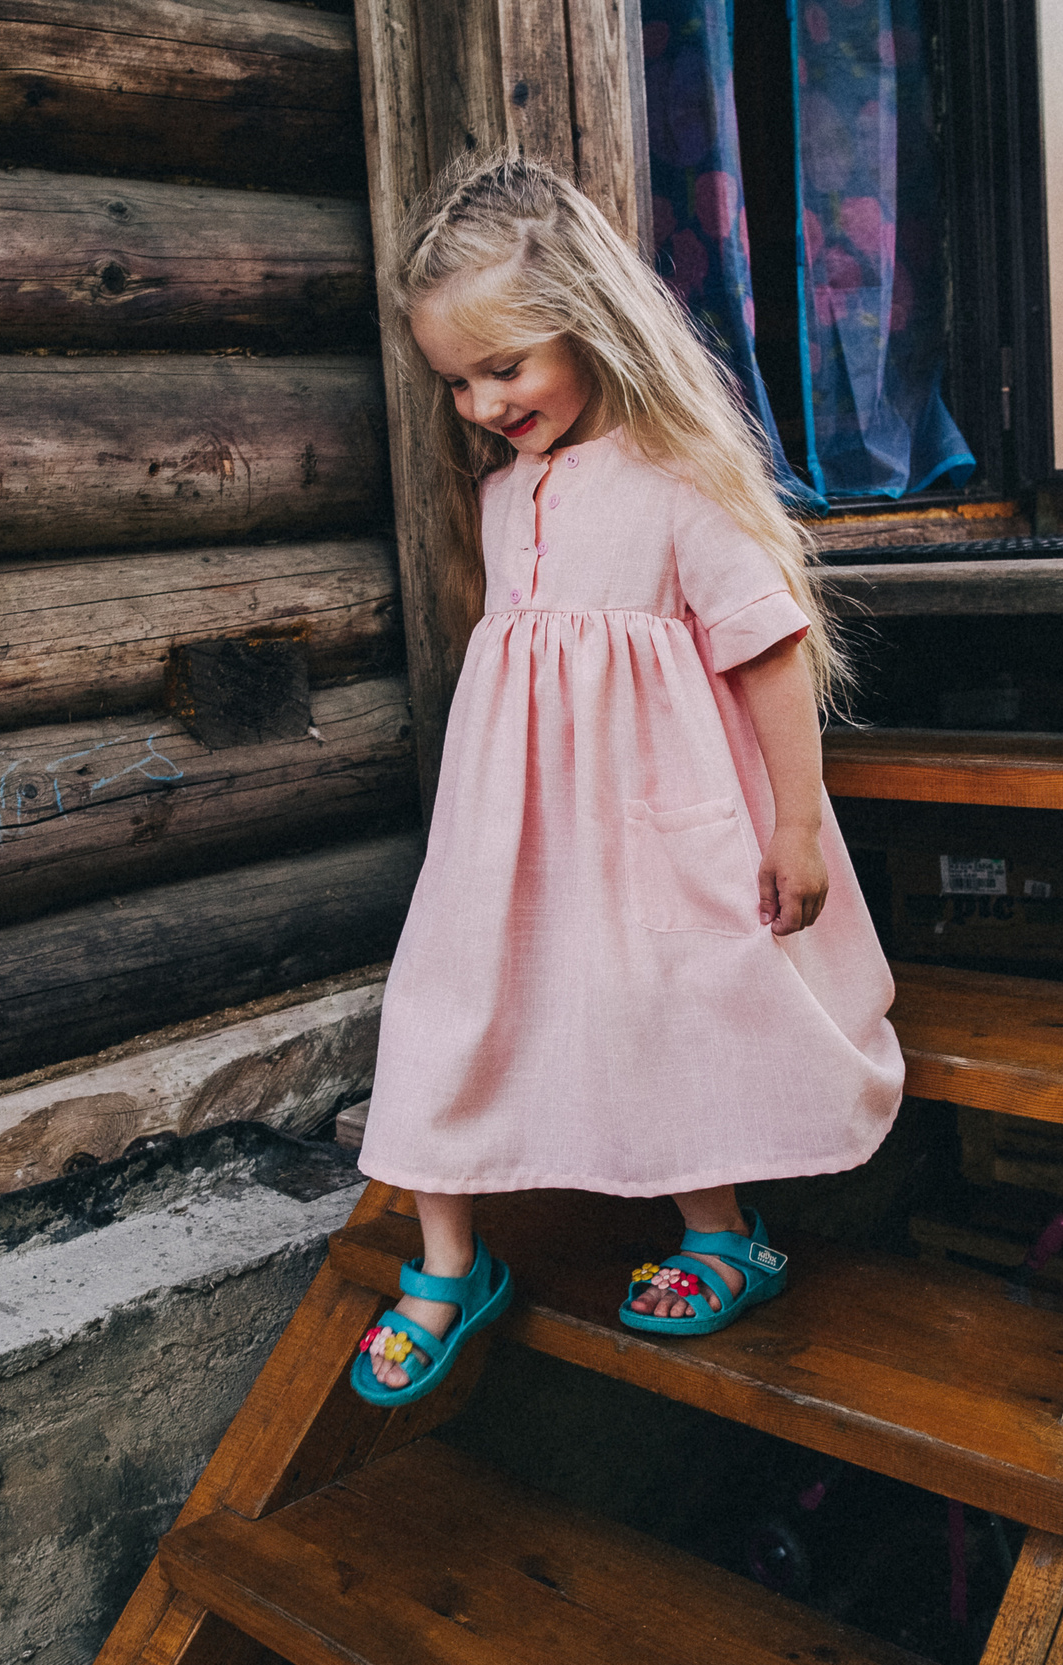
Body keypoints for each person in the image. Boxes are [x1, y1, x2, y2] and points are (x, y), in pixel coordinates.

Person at [350, 154, 906, 1406]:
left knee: (668, 1004)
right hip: (509, 833)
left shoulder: (674, 483)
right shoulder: (502, 500)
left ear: (590, 324)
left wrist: (796, 827)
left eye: (505, 367)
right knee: (441, 1001)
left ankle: (722, 1234)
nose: (481, 403)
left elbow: (768, 651)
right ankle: (447, 1265)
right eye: (456, 381)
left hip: (649, 822)